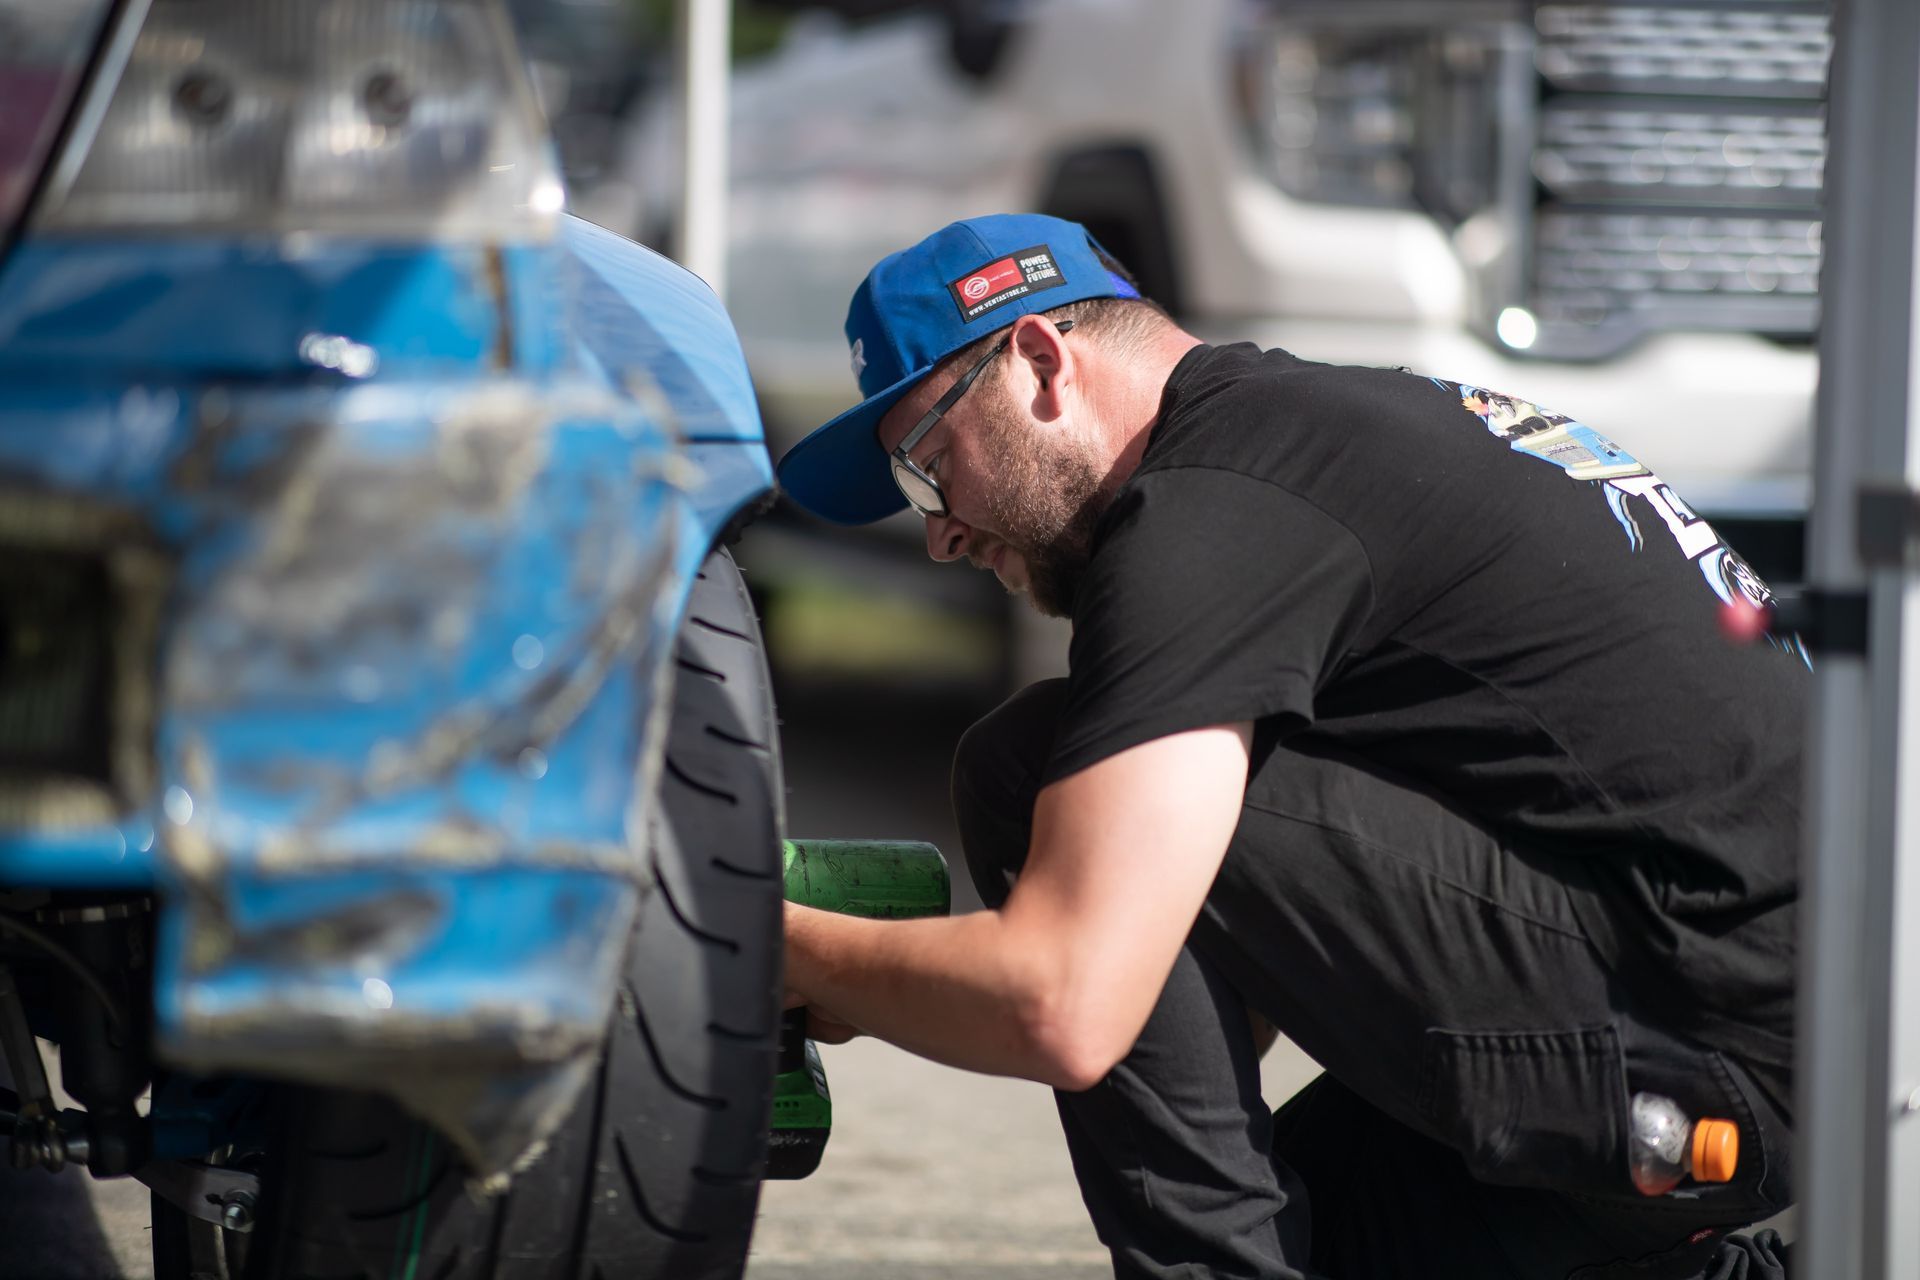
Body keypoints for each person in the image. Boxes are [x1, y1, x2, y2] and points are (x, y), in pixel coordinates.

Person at [773, 213, 1799, 1279]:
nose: (937, 531)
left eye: (929, 466)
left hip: (1692, 1057)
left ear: (1039, 362)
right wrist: (899, 980)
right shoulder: (1316, 438)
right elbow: (1198, 1013)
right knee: (1305, 1225)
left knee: (1033, 769)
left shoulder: (1213, 510)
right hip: (1765, 1048)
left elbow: (1068, 999)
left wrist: (770, 944)